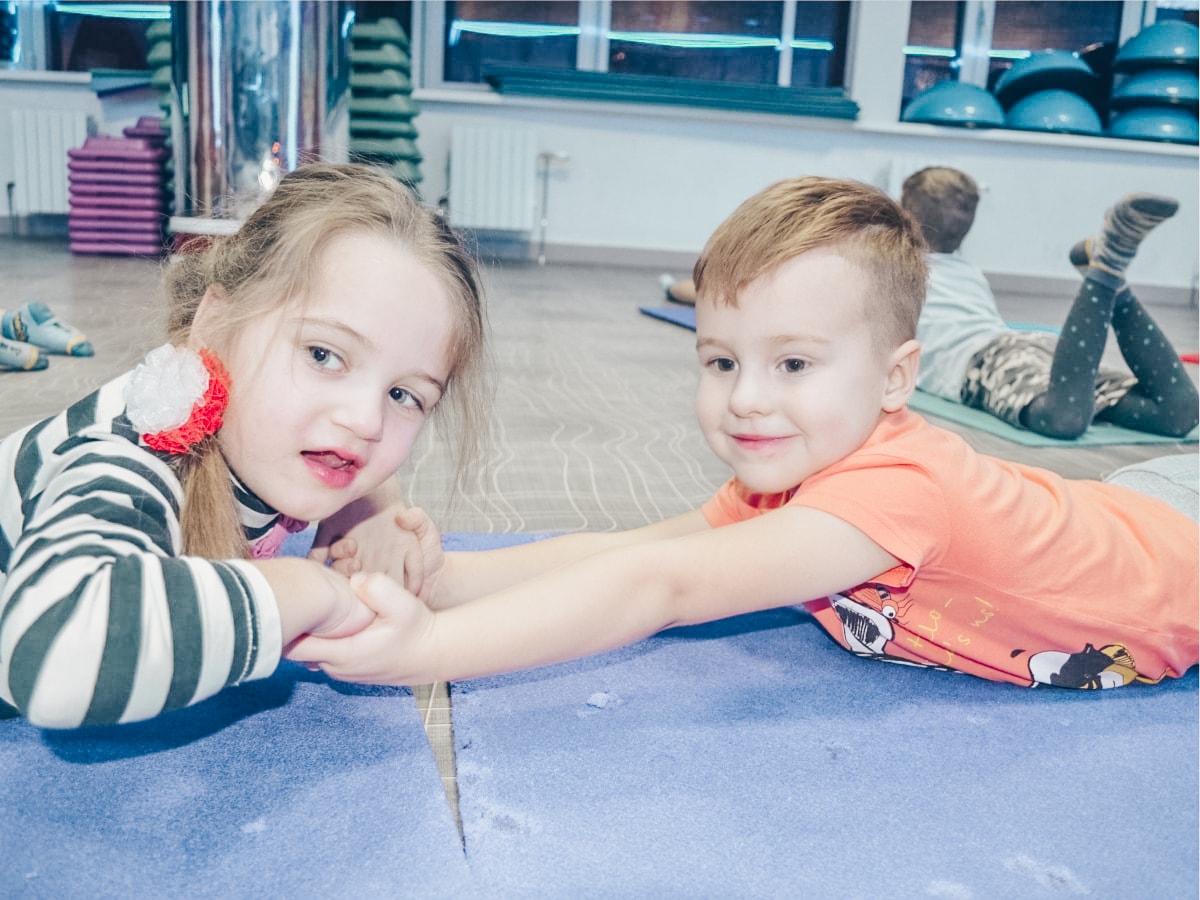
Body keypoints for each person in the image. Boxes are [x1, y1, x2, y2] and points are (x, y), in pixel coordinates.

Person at [289, 176, 1198, 694]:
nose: (747, 400)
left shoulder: (890, 493)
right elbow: (634, 547)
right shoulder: (793, 475)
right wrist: (449, 579)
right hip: (1116, 509)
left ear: (896, 379)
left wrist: (428, 652)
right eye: (721, 361)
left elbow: (663, 586)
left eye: (794, 364)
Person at [0, 162, 489, 729]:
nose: (365, 421)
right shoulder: (131, 451)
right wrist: (306, 591)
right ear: (213, 323)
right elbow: (51, 664)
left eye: (403, 395)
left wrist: (376, 500)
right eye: (323, 355)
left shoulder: (263, 437)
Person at [902, 166, 1198, 440]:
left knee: (1062, 418)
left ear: (905, 215)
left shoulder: (900, 272)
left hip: (986, 361)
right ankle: (1109, 280)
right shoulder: (968, 271)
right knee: (1177, 414)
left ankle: (1108, 262)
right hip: (1036, 346)